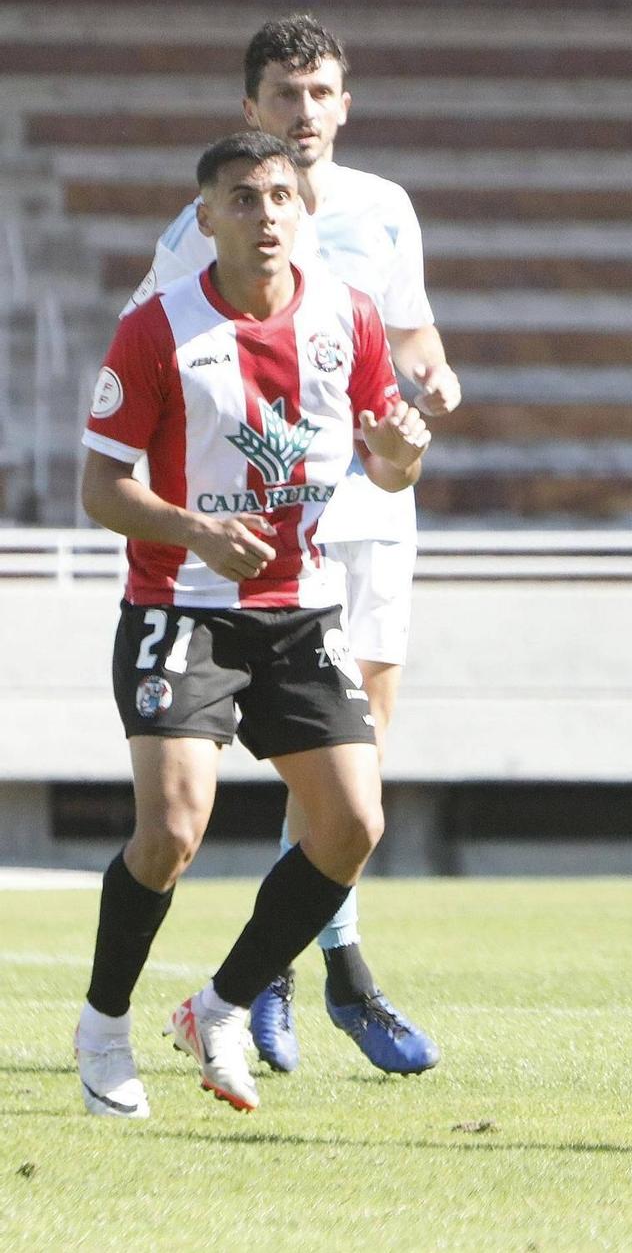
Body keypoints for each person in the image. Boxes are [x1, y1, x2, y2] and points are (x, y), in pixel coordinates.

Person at [126, 13, 458, 1075]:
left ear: (345, 102)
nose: (303, 113)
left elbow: (408, 333)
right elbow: (153, 345)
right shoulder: (209, 224)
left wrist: (433, 377)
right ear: (250, 109)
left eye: (319, 94)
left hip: (376, 509)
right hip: (270, 535)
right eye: (283, 95)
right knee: (322, 768)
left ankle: (298, 969)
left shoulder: (385, 208)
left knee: (361, 755)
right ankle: (311, 974)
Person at [74, 131, 431, 1116]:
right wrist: (194, 528)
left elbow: (386, 461)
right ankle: (105, 1026)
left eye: (279, 196)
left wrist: (401, 454)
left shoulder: (346, 318)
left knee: (354, 823)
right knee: (172, 829)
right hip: (180, 602)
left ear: (300, 213)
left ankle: (220, 1003)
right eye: (242, 198)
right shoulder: (156, 329)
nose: (266, 214)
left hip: (300, 605)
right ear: (206, 218)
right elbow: (100, 486)